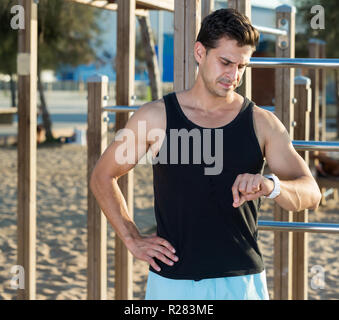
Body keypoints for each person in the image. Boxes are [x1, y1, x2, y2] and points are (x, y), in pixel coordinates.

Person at [90, 8, 322, 300]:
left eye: (241, 66)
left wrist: (271, 185)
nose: (233, 75)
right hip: (173, 281)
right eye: (225, 62)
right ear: (200, 52)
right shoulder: (155, 117)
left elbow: (311, 192)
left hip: (242, 282)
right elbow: (103, 175)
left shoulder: (261, 122)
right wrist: (131, 236)